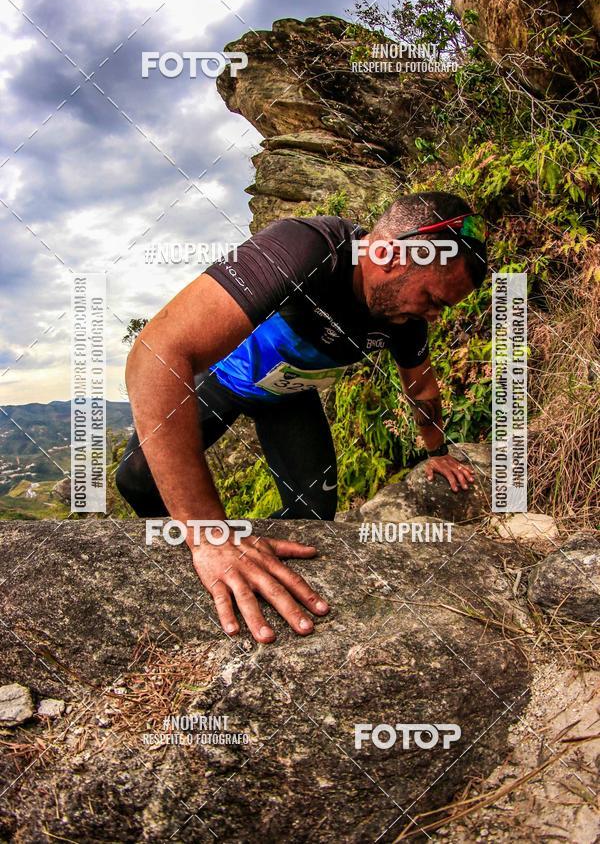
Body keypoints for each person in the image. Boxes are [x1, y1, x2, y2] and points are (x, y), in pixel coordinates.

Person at [117, 191, 487, 643]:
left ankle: (251, 557)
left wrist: (439, 451)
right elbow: (156, 355)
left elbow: (422, 387)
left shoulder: (406, 319)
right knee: (136, 479)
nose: (432, 314)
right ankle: (198, 559)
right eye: (431, 297)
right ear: (387, 254)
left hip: (289, 398)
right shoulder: (309, 247)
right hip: (226, 378)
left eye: (441, 307)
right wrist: (206, 533)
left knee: (313, 516)